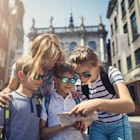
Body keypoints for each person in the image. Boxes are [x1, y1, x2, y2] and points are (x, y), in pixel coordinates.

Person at [69, 46, 135, 140]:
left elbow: (129, 106)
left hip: (118, 125)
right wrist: (85, 123)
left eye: (86, 74)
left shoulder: (111, 73)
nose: (82, 79)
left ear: (96, 65)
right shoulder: (79, 85)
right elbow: (92, 115)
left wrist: (96, 103)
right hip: (97, 127)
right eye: (77, 75)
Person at [0, 33, 65, 107]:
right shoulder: (20, 66)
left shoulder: (57, 67)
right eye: (48, 60)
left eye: (55, 59)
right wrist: (2, 95)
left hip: (47, 111)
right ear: (36, 54)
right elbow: (10, 88)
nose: (52, 64)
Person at [40, 62, 91, 140]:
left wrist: (84, 124)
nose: (69, 83)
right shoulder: (47, 101)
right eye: (65, 79)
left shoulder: (78, 99)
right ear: (55, 78)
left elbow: (89, 118)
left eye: (72, 80)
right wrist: (62, 126)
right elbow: (41, 133)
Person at [0, 56, 44, 140]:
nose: (41, 81)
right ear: (21, 76)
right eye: (36, 76)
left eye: (42, 77)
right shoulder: (7, 101)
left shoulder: (40, 101)